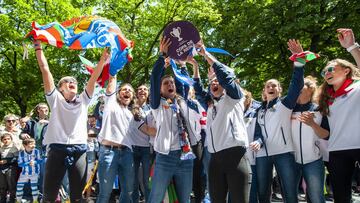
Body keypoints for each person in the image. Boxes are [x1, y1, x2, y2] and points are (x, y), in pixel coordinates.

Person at [33, 40, 108, 203]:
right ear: (60, 88)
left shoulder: (83, 100)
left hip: (79, 150)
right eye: (67, 81)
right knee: (49, 196)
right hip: (57, 150)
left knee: (77, 197)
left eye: (74, 81)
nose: (72, 82)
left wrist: (103, 60)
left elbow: (94, 77)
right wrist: (38, 48)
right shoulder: (55, 100)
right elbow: (45, 71)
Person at [192, 41, 251, 203]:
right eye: (211, 82)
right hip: (215, 160)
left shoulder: (234, 97)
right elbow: (198, 90)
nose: (214, 83)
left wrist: (205, 54)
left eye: (217, 81)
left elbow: (226, 75)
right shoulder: (211, 104)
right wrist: (195, 66)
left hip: (236, 157)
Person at [249, 39, 305, 203]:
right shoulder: (258, 110)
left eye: (274, 86)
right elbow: (258, 133)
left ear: (279, 90)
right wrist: (258, 142)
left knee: (289, 192)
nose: (271, 88)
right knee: (262, 192)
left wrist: (299, 60)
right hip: (262, 156)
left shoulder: (285, 104)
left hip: (283, 153)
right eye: (268, 86)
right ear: (264, 92)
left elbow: (297, 84)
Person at [148, 37, 195, 203]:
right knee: (156, 197)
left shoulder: (182, 102)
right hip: (165, 158)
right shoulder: (157, 105)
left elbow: (187, 84)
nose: (170, 84)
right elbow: (154, 78)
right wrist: (162, 56)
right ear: (160, 91)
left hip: (186, 157)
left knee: (185, 199)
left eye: (172, 82)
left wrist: (183, 65)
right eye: (166, 83)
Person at [316, 28, 360, 203]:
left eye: (331, 69)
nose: (327, 73)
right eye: (324, 72)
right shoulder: (327, 99)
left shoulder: (357, 87)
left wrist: (351, 47)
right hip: (337, 150)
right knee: (341, 197)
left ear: (346, 70)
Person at [96, 77, 135, 203]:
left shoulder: (131, 114)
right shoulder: (111, 103)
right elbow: (111, 85)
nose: (127, 92)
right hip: (108, 152)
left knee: (128, 190)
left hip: (127, 153)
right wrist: (114, 69)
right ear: (118, 94)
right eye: (124, 90)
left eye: (130, 90)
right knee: (105, 193)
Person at [291, 76, 330, 203]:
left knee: (316, 198)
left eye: (300, 86)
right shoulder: (287, 109)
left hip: (314, 160)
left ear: (311, 89)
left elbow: (326, 135)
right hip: (289, 160)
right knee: (289, 197)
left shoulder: (319, 109)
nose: (296, 88)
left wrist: (312, 124)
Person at [130, 84, 154, 203]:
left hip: (146, 150)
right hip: (132, 149)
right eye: (139, 89)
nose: (142, 91)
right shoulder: (130, 108)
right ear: (136, 92)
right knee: (133, 181)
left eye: (145, 89)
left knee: (146, 180)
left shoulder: (152, 109)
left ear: (148, 93)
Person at [16, 138, 42, 203]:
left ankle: (35, 200)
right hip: (24, 173)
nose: (34, 145)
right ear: (25, 145)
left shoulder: (36, 151)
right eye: (31, 144)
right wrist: (28, 163)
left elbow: (41, 160)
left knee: (34, 187)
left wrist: (35, 162)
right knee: (19, 187)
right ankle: (18, 201)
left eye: (34, 144)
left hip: (34, 173)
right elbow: (20, 164)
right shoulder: (21, 153)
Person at [0, 132, 19, 203]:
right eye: (4, 139)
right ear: (2, 140)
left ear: (11, 140)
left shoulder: (14, 148)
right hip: (2, 168)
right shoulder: (1, 148)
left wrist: (7, 161)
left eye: (8, 139)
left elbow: (17, 158)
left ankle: (12, 200)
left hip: (11, 168)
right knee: (2, 186)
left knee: (11, 185)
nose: (6, 140)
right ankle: (2, 200)